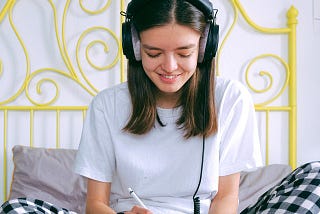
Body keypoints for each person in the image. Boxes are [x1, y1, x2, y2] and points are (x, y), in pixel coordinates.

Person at [73, 0, 263, 213]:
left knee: (309, 176)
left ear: (204, 47)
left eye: (184, 54)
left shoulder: (231, 98)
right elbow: (95, 204)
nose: (170, 67)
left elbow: (226, 197)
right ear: (135, 47)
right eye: (154, 53)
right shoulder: (106, 105)